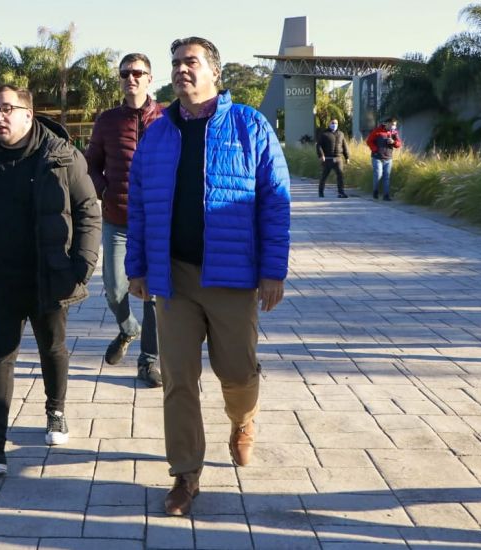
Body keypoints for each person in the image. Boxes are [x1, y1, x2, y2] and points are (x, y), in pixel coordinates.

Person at [126, 37, 291, 516]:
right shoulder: (158, 134)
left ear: (215, 72)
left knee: (237, 371)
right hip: (173, 277)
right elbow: (139, 205)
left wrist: (273, 271)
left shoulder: (249, 125)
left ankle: (243, 419)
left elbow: (275, 200)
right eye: (176, 63)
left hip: (232, 275)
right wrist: (137, 267)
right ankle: (185, 474)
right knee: (178, 378)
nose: (181, 69)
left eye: (191, 62)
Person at [0, 85, 101, 476]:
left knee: (51, 347)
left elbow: (88, 210)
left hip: (47, 274)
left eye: (7, 109)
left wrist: (83, 266)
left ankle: (56, 410)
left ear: (28, 114)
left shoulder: (60, 154)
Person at [85, 53, 163, 387]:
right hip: (117, 219)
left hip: (157, 221)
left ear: (149, 78)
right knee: (115, 289)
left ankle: (149, 361)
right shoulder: (107, 121)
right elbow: (90, 164)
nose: (131, 78)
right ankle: (128, 328)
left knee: (154, 293)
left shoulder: (167, 118)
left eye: (137, 73)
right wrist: (104, 191)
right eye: (124, 73)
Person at [367, 117, 402, 201]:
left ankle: (386, 195)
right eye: (392, 124)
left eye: (395, 125)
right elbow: (369, 141)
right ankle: (375, 191)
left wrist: (393, 142)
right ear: (387, 123)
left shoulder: (394, 133)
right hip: (377, 157)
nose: (394, 126)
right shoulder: (377, 131)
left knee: (387, 177)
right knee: (378, 175)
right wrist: (375, 150)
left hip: (388, 158)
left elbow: (399, 144)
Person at [315, 118, 350, 198]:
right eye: (333, 123)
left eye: (336, 123)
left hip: (338, 159)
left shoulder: (341, 134)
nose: (334, 125)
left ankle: (341, 193)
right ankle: (321, 192)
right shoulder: (324, 134)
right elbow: (319, 146)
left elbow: (344, 146)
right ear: (329, 124)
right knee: (324, 176)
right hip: (327, 159)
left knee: (340, 176)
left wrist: (347, 157)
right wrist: (321, 155)